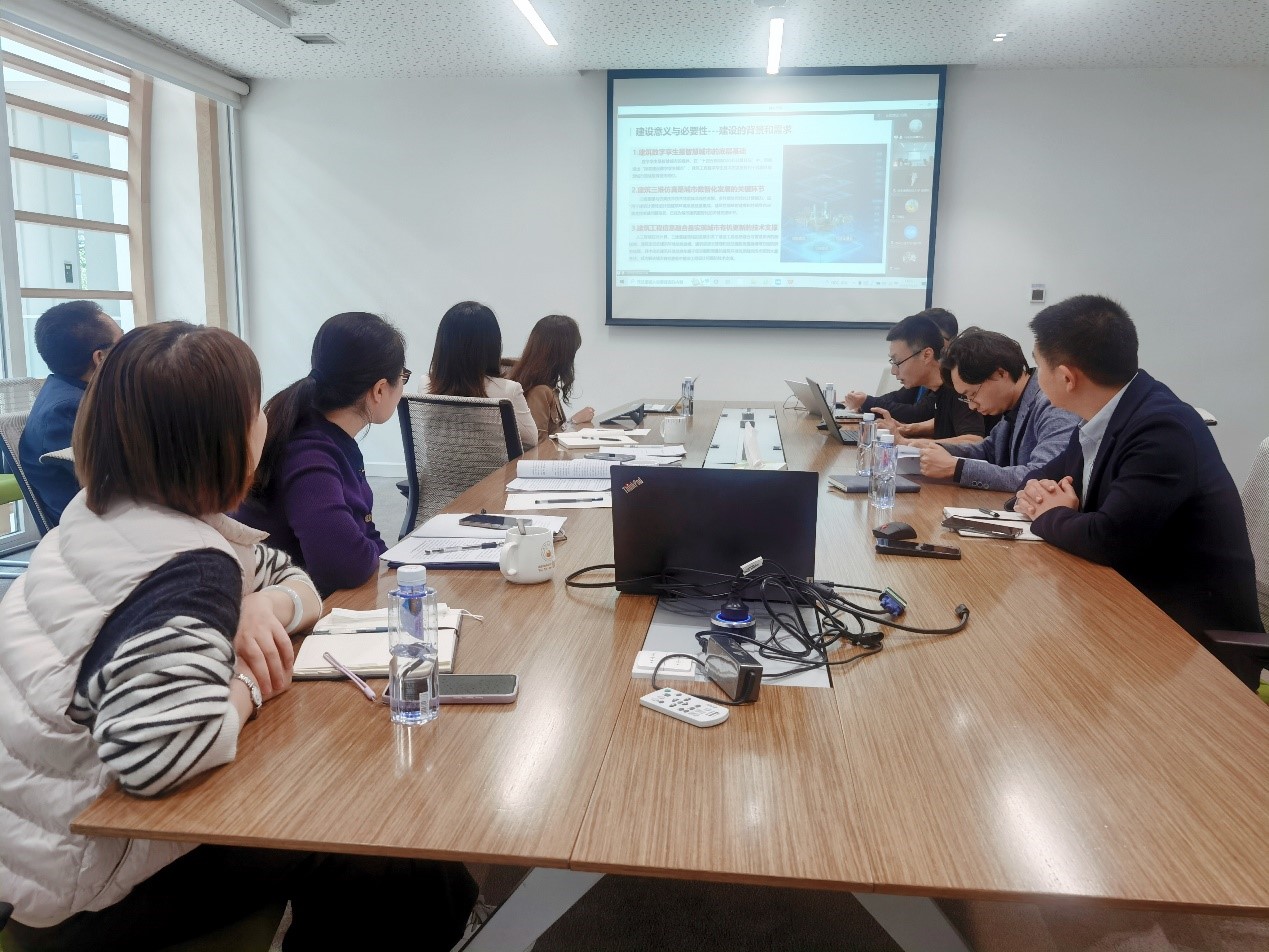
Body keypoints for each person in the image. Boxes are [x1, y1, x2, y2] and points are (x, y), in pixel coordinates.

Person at [0, 321, 477, 950]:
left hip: (32, 855)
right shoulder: (186, 567)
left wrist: (256, 604)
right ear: (222, 438)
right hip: (83, 892)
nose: (267, 419)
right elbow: (156, 760)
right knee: (384, 836)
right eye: (255, 409)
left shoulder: (106, 515)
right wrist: (250, 682)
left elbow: (298, 582)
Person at [1014, 295, 1260, 637]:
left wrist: (1051, 514)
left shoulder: (1162, 429)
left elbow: (1107, 539)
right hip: (1126, 608)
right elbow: (1038, 478)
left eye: (1038, 365)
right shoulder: (1104, 416)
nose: (1035, 376)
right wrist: (1037, 495)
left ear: (1067, 377)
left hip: (1192, 639)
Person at [236, 312, 406, 597]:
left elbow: (366, 532)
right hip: (282, 613)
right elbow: (345, 565)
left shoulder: (328, 436)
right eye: (402, 377)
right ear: (379, 390)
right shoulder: (309, 454)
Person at [902, 328, 1079, 491]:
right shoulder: (1015, 403)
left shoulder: (1052, 406)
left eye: (972, 394)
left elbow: (1041, 477)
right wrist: (935, 448)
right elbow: (987, 450)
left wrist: (957, 468)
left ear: (1000, 373)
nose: (971, 405)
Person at [17, 300, 122, 526]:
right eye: (122, 344)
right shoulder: (66, 410)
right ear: (100, 358)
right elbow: (112, 484)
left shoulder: (67, 391)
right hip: (92, 527)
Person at [424, 300, 538, 449]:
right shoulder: (508, 391)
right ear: (492, 345)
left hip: (439, 464)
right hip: (495, 466)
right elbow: (531, 440)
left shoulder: (426, 384)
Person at [864, 313, 985, 441]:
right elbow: (950, 421)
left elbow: (973, 440)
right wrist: (906, 429)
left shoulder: (958, 385)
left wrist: (907, 442)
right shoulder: (937, 388)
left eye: (897, 362)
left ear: (926, 355)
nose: (894, 371)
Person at [841, 306, 958, 415]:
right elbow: (898, 398)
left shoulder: (954, 381)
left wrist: (867, 403)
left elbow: (919, 413)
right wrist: (863, 403)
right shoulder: (920, 376)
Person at [506, 314, 595, 443]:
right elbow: (540, 446)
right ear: (563, 354)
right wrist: (573, 422)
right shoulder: (539, 391)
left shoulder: (543, 384)